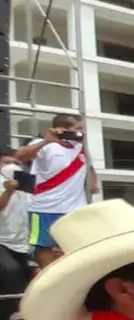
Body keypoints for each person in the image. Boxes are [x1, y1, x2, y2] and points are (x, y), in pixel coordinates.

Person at [14, 114, 99, 269]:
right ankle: (47, 276)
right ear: (62, 129)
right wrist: (46, 141)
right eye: (78, 128)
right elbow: (19, 156)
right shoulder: (44, 144)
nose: (82, 132)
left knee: (76, 247)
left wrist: (94, 181)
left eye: (83, 128)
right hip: (45, 207)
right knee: (44, 247)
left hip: (75, 209)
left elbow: (90, 166)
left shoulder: (82, 148)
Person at [0, 150, 31, 320]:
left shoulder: (26, 187)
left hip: (22, 242)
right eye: (8, 163)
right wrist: (8, 191)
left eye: (17, 164)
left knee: (28, 275)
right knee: (10, 270)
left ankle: (21, 317)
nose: (14, 167)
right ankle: (10, 314)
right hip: (2, 240)